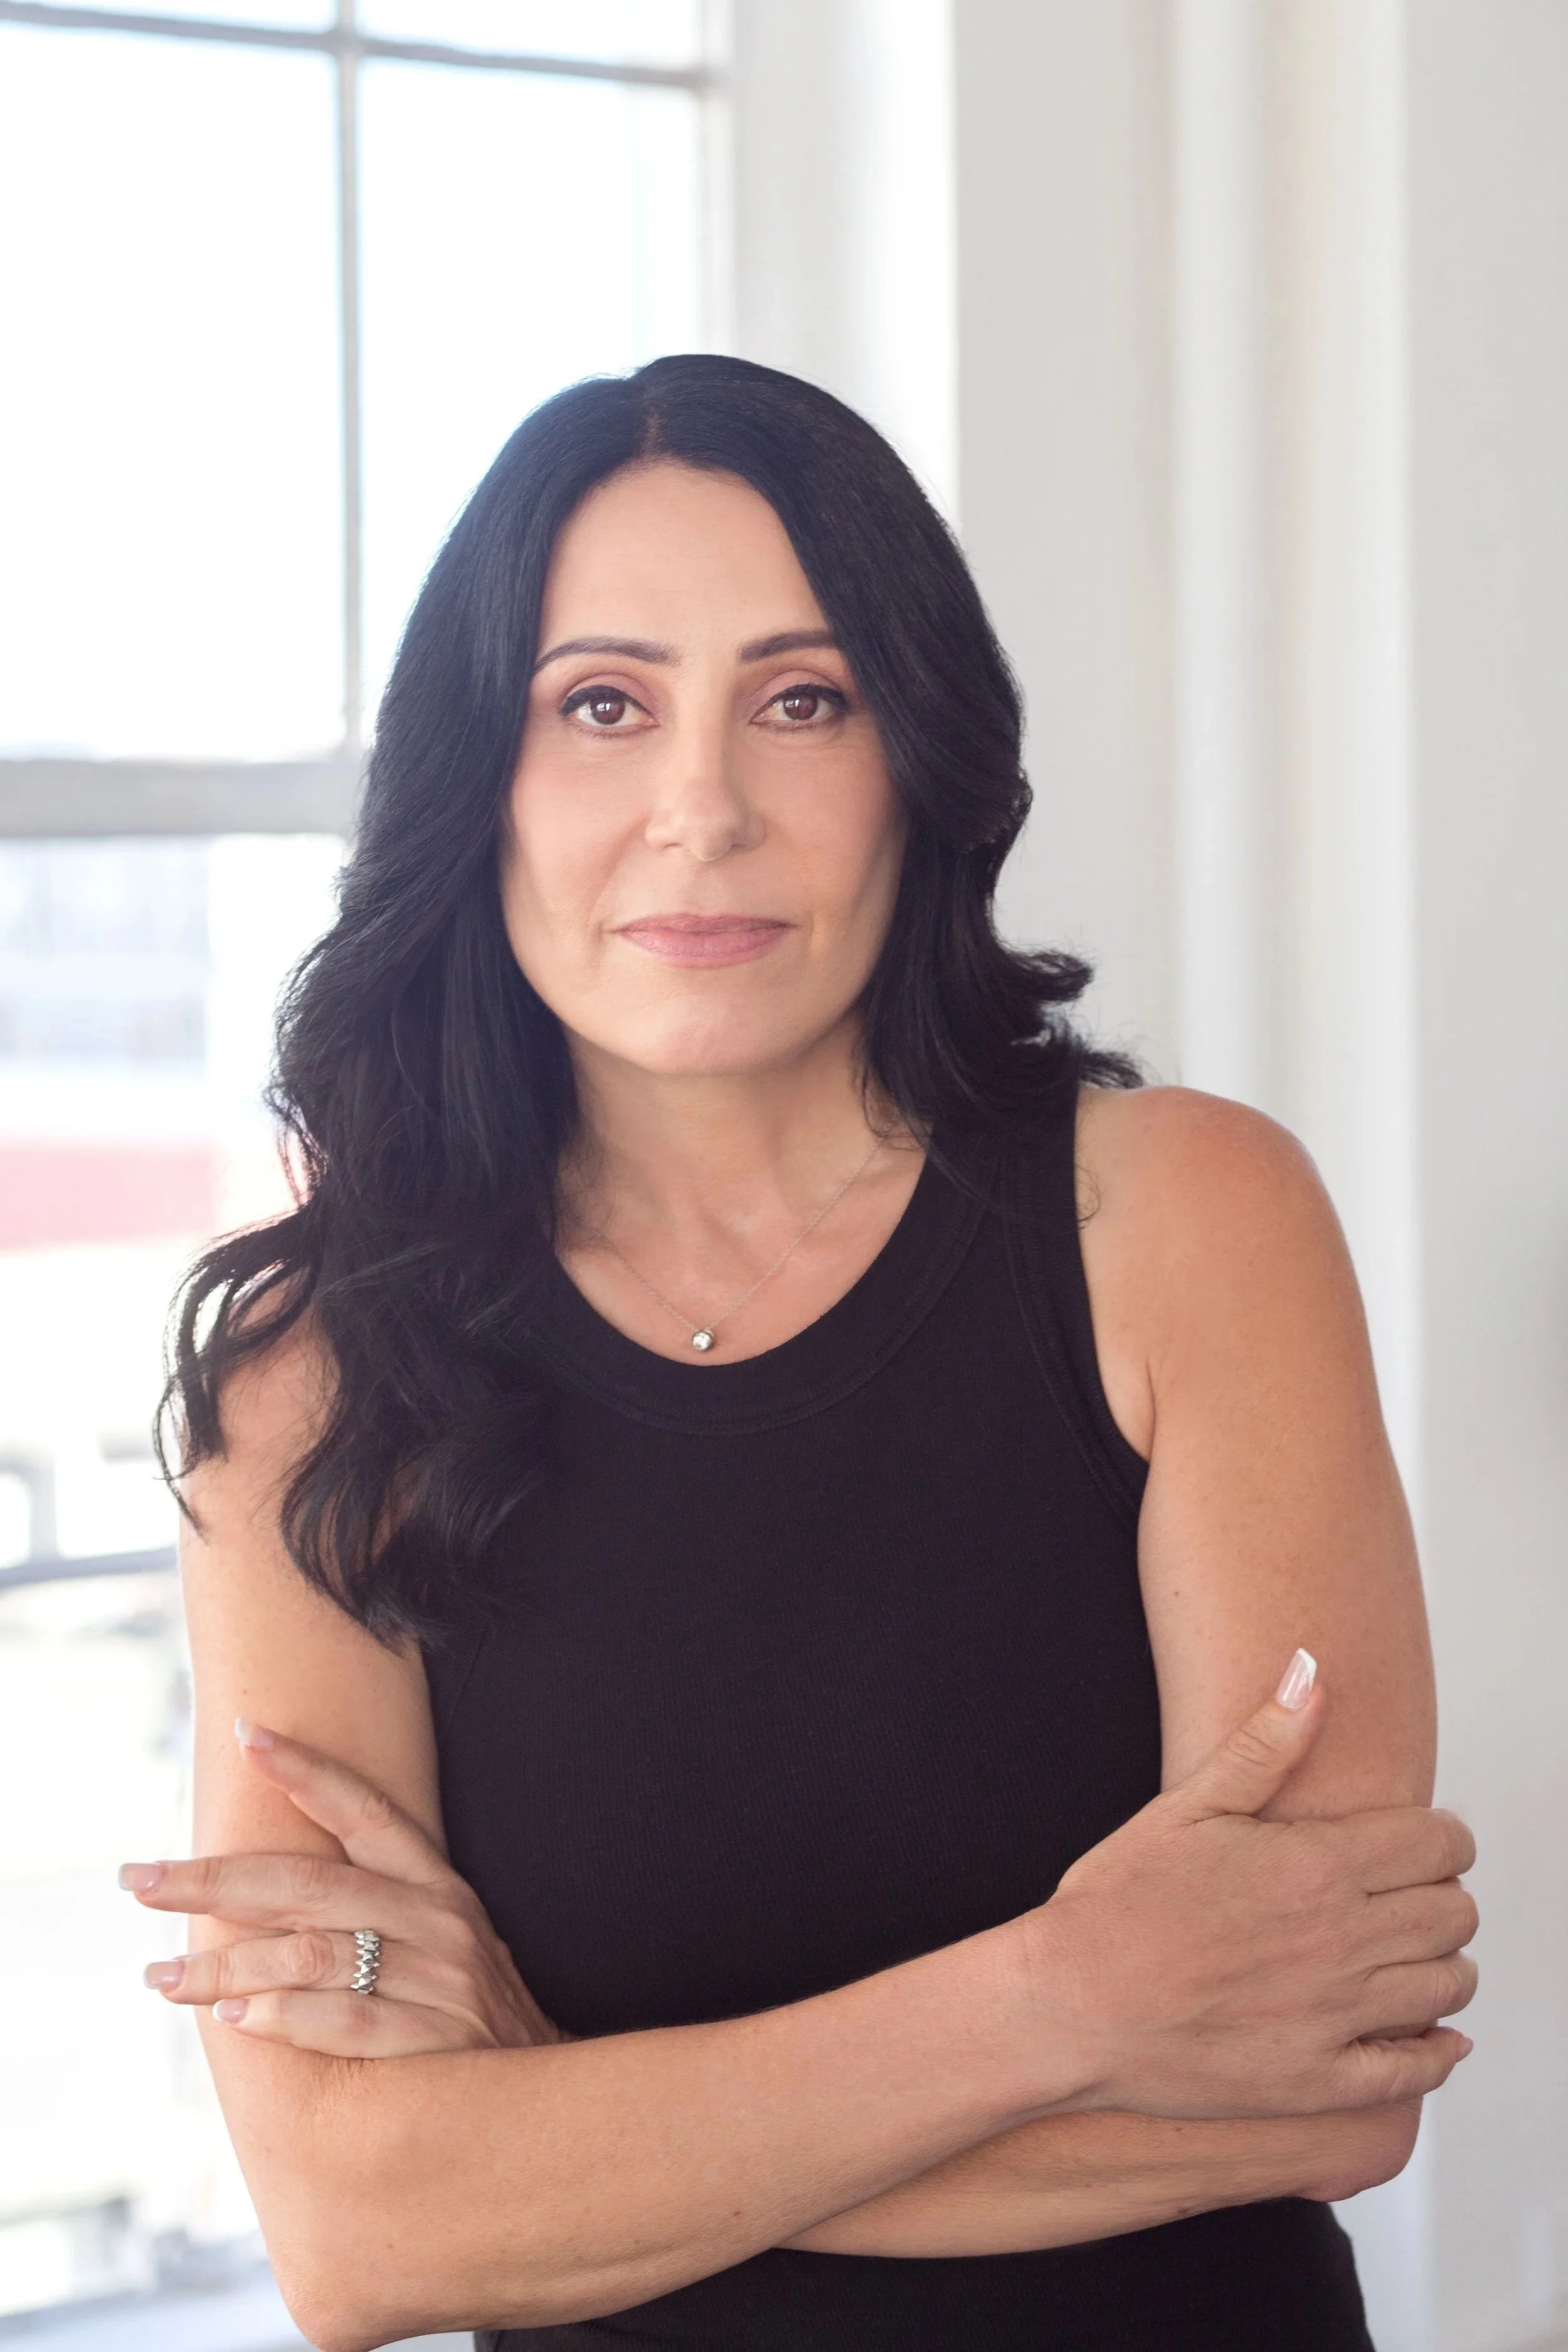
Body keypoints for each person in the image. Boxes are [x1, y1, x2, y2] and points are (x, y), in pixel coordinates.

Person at [129, 356, 1476, 2352]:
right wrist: (1071, 1998)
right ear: (473, 779)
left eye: (800, 697)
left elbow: (1330, 2082)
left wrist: (547, 2104)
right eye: (601, 704)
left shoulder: (1184, 1219)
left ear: (912, 754)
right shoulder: (311, 1373)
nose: (702, 805)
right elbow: (364, 2236)